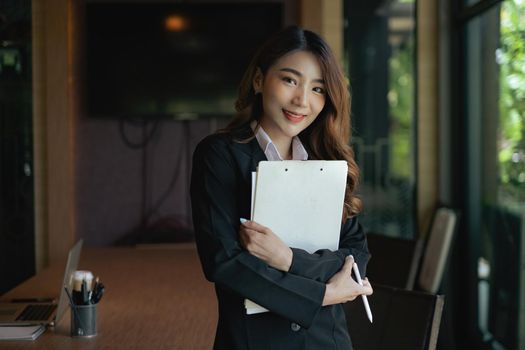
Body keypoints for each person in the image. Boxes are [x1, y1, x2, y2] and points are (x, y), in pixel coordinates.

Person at [190, 25, 373, 350]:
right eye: (290, 80)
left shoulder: (325, 159)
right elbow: (225, 262)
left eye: (318, 89)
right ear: (259, 80)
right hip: (255, 341)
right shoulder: (219, 155)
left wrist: (288, 260)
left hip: (326, 339)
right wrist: (324, 293)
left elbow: (355, 254)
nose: (302, 100)